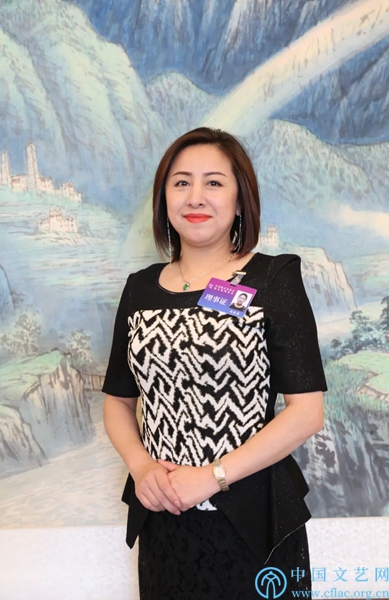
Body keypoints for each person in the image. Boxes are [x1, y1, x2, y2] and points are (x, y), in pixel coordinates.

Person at [102, 127, 327, 599]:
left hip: (254, 523)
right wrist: (142, 469)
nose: (195, 197)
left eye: (214, 182)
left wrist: (211, 477)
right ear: (164, 199)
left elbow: (307, 412)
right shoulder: (139, 288)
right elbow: (118, 402)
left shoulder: (273, 278)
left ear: (240, 200)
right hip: (166, 519)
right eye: (181, 182)